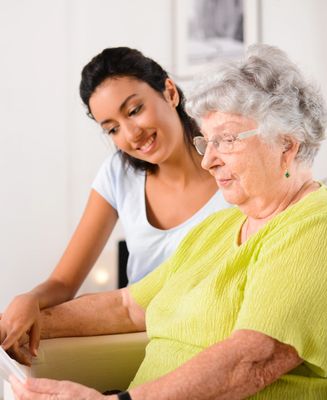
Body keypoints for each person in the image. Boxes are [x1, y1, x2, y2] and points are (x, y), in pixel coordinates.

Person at [9, 44, 327, 400]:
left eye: (225, 140)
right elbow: (128, 306)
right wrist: (14, 325)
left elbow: (250, 362)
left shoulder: (321, 229)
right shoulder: (219, 228)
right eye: (207, 142)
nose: (208, 161)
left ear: (286, 145)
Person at [0, 47, 229, 365]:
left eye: (134, 110)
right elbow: (64, 282)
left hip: (209, 337)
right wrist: (31, 299)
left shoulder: (231, 164)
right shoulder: (118, 174)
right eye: (112, 128)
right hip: (137, 341)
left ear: (170, 92)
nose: (131, 134)